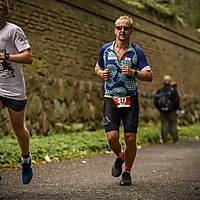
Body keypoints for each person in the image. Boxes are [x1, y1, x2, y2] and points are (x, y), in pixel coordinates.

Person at [95, 15, 153, 186]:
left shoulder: (137, 52)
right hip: (110, 98)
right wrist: (100, 73)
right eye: (119, 28)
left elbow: (149, 76)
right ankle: (120, 156)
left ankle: (127, 172)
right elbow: (97, 66)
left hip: (130, 100)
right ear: (115, 30)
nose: (122, 31)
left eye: (126, 28)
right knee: (112, 137)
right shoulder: (105, 49)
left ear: (131, 31)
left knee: (130, 138)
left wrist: (134, 72)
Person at [0, 0, 33, 184]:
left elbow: (28, 58)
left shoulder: (13, 31)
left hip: (14, 89)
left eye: (0, 8)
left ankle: (26, 158)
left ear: (6, 12)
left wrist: (4, 56)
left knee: (19, 130)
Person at [154, 75, 180, 143]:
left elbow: (155, 101)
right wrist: (175, 108)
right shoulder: (173, 90)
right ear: (170, 81)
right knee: (173, 124)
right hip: (172, 111)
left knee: (164, 125)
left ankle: (165, 140)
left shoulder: (160, 90)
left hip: (162, 111)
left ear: (164, 82)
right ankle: (175, 139)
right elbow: (177, 100)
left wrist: (159, 108)